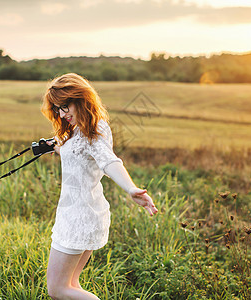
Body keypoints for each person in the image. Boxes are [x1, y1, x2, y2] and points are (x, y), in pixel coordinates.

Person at [41, 73, 158, 300]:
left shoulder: (93, 131)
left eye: (65, 106)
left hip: (77, 218)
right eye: (57, 109)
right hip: (84, 214)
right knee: (71, 285)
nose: (62, 115)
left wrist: (130, 188)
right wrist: (57, 148)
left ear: (81, 99)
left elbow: (108, 160)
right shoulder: (84, 128)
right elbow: (81, 153)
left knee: (57, 290)